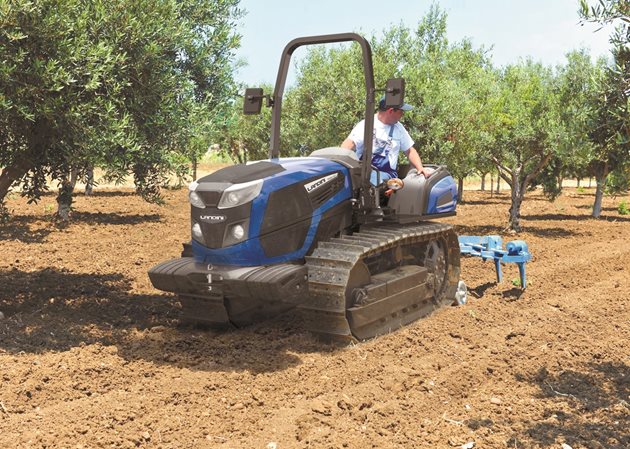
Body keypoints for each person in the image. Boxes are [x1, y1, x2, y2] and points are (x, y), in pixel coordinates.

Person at [340, 96, 432, 185]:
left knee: (374, 179)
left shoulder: (398, 128)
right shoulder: (366, 124)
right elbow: (349, 144)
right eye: (401, 112)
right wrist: (340, 163)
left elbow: (409, 150)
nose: (402, 115)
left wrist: (420, 168)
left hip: (387, 176)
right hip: (364, 172)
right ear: (391, 111)